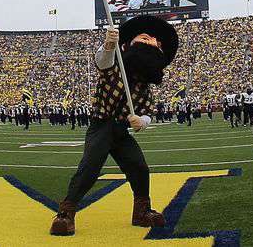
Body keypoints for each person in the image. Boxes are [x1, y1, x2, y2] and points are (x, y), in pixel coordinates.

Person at [51, 15, 177, 236]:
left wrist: (141, 122)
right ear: (127, 46)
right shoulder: (114, 69)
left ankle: (141, 211)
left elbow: (147, 112)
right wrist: (109, 44)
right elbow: (103, 61)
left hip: (120, 132)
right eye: (145, 38)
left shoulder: (144, 87)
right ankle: (66, 212)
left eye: (155, 41)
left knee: (139, 167)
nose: (150, 41)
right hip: (101, 126)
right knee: (89, 169)